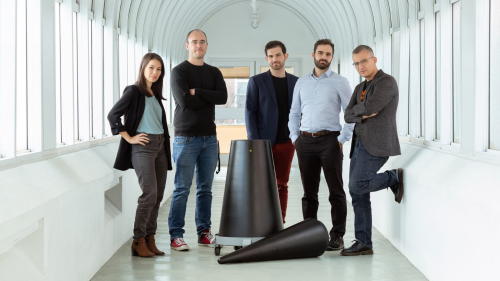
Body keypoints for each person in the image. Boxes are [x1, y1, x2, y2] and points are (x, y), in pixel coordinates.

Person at [288, 39, 354, 251]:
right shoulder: (301, 82)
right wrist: (294, 138)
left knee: (336, 191)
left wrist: (342, 140)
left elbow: (351, 114)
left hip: (330, 141)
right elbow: (294, 112)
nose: (323, 57)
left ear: (332, 57)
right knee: (309, 193)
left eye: (327, 54)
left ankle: (337, 236)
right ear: (313, 55)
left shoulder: (340, 82)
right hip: (304, 141)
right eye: (320, 53)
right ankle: (309, 233)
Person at [341, 45, 404, 256]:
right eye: (356, 63)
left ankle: (392, 177)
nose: (360, 66)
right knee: (357, 193)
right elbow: (347, 115)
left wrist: (361, 112)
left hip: (377, 144)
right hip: (358, 145)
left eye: (364, 61)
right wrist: (362, 114)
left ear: (374, 59)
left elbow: (370, 108)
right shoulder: (360, 88)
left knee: (357, 184)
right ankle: (364, 242)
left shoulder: (387, 82)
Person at [168, 29, 228, 251]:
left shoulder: (213, 72)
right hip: (186, 138)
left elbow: (223, 97)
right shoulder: (179, 71)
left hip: (209, 139)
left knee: (205, 189)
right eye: (194, 42)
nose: (198, 46)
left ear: (207, 45)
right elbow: (185, 102)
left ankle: (204, 232)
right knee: (182, 188)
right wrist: (205, 96)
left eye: (202, 42)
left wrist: (198, 91)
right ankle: (176, 235)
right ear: (187, 46)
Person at [108, 53, 172, 257]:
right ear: (143, 68)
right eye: (151, 67)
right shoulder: (134, 91)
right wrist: (130, 138)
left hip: (161, 146)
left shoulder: (155, 94)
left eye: (159, 69)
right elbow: (113, 115)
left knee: (158, 196)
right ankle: (138, 241)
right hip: (143, 146)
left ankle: (149, 239)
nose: (155, 72)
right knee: (149, 194)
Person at [245, 40, 299, 224]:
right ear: (266, 58)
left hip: (287, 142)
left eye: (278, 55)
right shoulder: (257, 81)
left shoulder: (296, 82)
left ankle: (278, 223)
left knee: (281, 185)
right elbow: (250, 112)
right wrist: (255, 142)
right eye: (271, 56)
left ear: (285, 56)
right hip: (263, 142)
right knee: (260, 185)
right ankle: (259, 223)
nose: (274, 59)